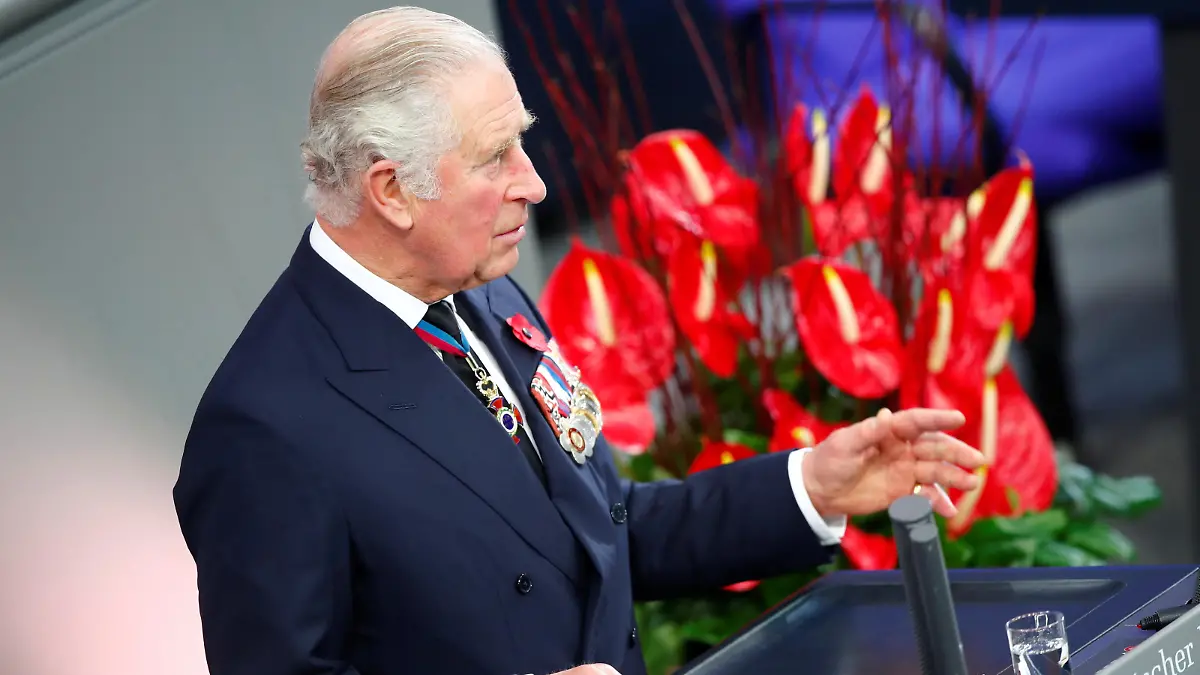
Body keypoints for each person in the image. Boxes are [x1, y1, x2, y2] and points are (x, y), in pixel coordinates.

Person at [172, 7, 985, 675]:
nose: (536, 182)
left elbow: (599, 528)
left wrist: (810, 483)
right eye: (496, 157)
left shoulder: (484, 292)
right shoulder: (263, 427)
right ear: (391, 191)